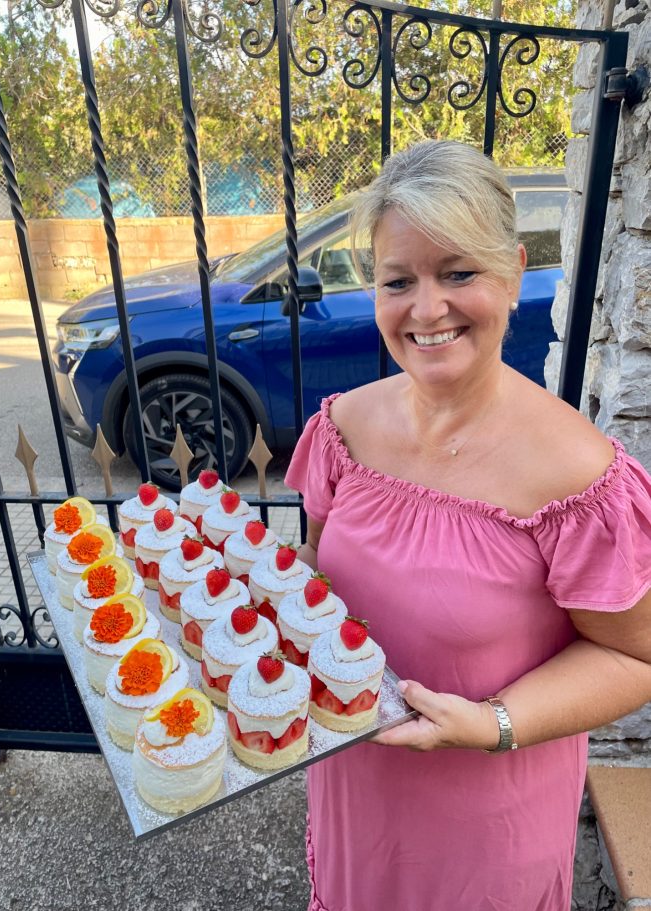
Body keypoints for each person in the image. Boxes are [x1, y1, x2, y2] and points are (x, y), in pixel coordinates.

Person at [284, 140, 651, 911]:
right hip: (355, 785)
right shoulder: (343, 428)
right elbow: (316, 575)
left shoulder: (577, 475)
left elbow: (634, 658)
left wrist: (491, 723)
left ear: (514, 271)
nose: (426, 308)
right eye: (398, 281)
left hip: (489, 822)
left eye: (458, 272)